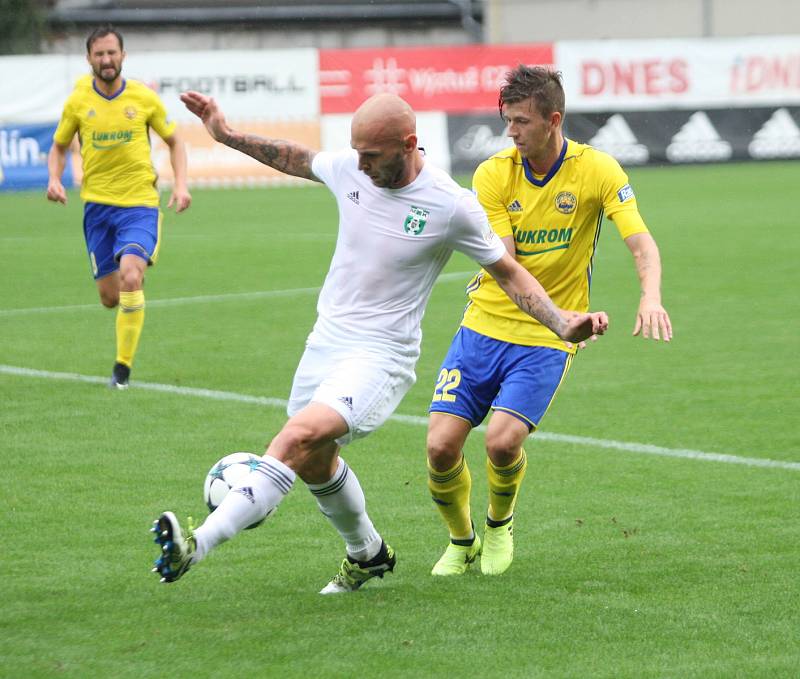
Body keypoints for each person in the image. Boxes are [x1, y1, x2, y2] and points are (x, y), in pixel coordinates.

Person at [150, 90, 608, 594]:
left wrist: (561, 323)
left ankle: (197, 544)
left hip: (381, 357)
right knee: (315, 460)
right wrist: (226, 134)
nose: (360, 164)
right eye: (357, 153)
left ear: (409, 144)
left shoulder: (451, 206)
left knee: (297, 438)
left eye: (371, 155)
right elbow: (296, 157)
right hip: (325, 342)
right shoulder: (352, 168)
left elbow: (509, 273)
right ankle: (367, 554)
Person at [426, 65, 673, 578]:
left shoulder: (598, 170)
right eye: (506, 120)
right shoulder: (493, 174)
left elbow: (640, 241)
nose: (510, 132)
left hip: (547, 338)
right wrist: (559, 316)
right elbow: (507, 266)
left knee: (501, 440)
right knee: (440, 445)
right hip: (486, 324)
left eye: (520, 121)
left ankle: (498, 526)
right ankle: (460, 539)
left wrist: (650, 297)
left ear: (553, 119)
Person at [47, 24, 191, 389]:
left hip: (140, 204)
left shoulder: (143, 98)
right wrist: (54, 178)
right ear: (89, 58)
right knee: (111, 298)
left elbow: (175, 142)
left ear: (123, 56)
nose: (106, 60)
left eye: (112, 53)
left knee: (131, 274)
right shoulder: (79, 100)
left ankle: (121, 372)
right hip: (97, 209)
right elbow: (60, 145)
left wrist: (182, 184)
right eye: (99, 54)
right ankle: (124, 331)